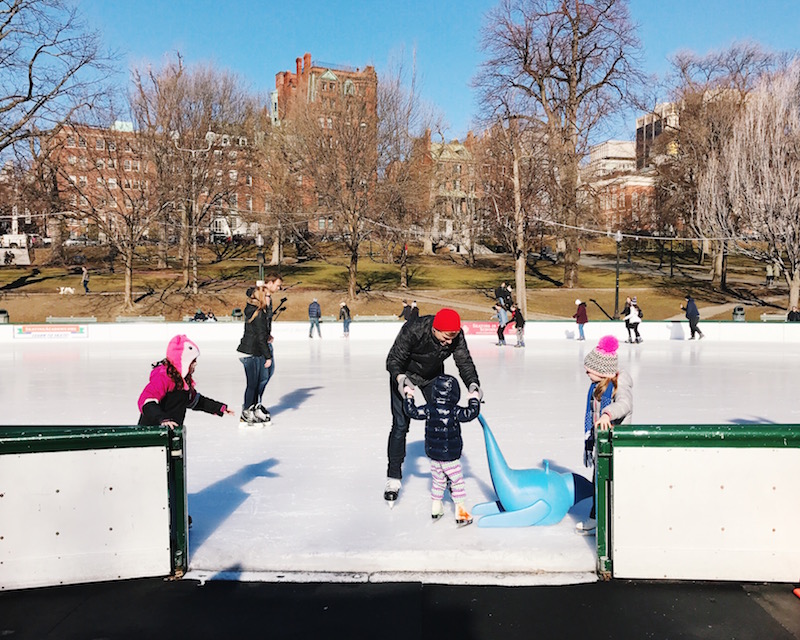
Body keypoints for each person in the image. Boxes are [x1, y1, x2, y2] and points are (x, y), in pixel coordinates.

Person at [384, 308, 482, 503]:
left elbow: (464, 361)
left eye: (452, 338)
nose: (449, 342)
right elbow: (393, 359)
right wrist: (401, 378)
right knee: (401, 425)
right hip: (404, 376)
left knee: (444, 421)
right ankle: (393, 477)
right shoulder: (414, 329)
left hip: (433, 378)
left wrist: (473, 383)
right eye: (446, 338)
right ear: (435, 329)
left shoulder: (456, 335)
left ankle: (446, 475)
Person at [403, 374, 481, 525]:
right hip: (450, 457)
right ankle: (461, 511)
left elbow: (412, 412)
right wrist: (474, 398)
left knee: (438, 481)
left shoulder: (429, 409)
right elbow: (471, 413)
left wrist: (409, 396)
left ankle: (436, 507)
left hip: (434, 456)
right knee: (456, 481)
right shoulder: (454, 410)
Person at [577, 335, 633, 535]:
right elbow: (590, 412)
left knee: (612, 484)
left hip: (616, 444)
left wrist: (608, 414)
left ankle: (615, 520)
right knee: (597, 482)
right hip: (602, 443)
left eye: (590, 369)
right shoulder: (596, 386)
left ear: (602, 371)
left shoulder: (619, 385)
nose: (586, 371)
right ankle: (596, 517)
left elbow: (625, 404)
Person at [137, 334, 234, 429]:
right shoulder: (163, 377)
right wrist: (163, 419)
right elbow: (147, 401)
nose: (196, 364)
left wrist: (219, 408)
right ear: (183, 361)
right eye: (193, 361)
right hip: (151, 432)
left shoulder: (182, 382)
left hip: (171, 433)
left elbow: (195, 400)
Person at [237, 275, 283, 426]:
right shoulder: (256, 311)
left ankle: (254, 408)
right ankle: (247, 412)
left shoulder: (259, 309)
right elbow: (259, 334)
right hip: (251, 350)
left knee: (259, 381)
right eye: (277, 285)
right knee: (253, 383)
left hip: (256, 348)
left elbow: (262, 332)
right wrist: (268, 356)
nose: (278, 289)